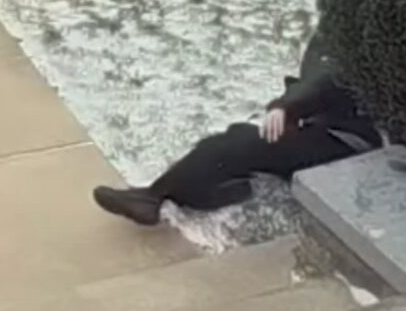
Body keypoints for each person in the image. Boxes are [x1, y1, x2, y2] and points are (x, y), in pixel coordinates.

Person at [93, 29, 381, 225]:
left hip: (345, 142)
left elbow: (330, 79)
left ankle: (152, 198)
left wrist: (286, 106)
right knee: (240, 139)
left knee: (239, 142)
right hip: (320, 123)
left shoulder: (358, 31)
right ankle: (198, 191)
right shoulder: (339, 23)